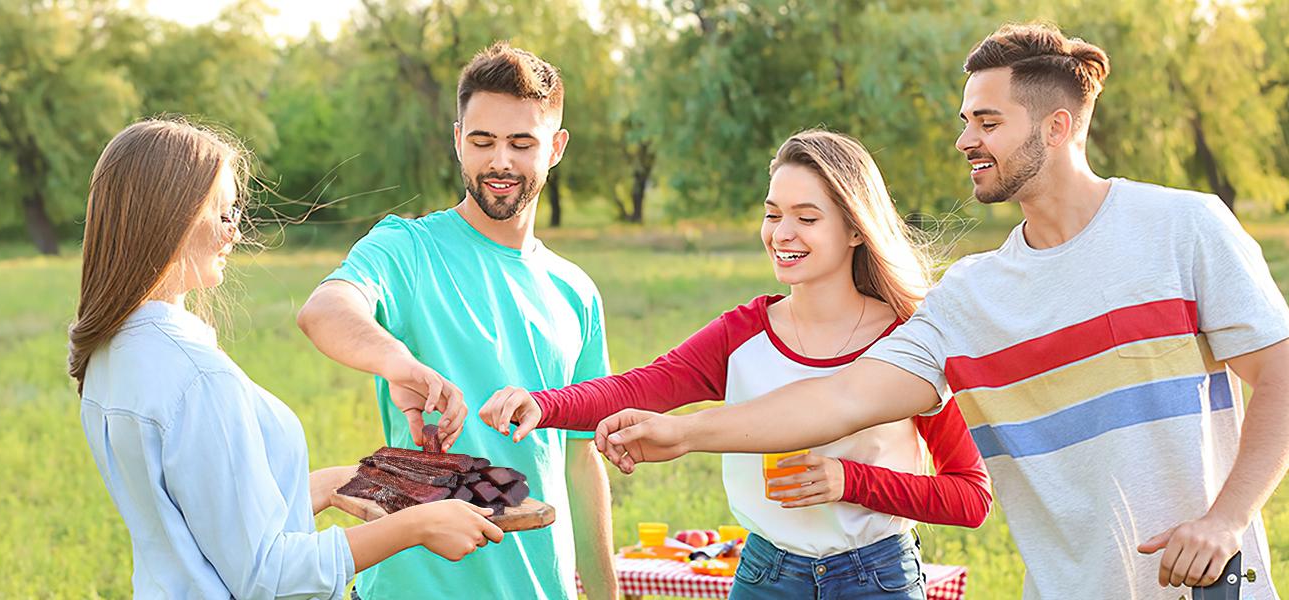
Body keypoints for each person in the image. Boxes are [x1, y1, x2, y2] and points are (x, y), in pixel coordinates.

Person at [591, 23, 1289, 599]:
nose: (965, 140)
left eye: (988, 122)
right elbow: (839, 399)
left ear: (1056, 127)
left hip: (1208, 585)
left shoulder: (1184, 228)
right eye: (966, 122)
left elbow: (1279, 376)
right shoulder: (971, 297)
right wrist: (686, 432)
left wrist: (1226, 518)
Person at [481, 130, 991, 599]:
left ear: (856, 229)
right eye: (773, 214)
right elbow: (643, 386)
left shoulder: (908, 344)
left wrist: (850, 481)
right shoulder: (744, 333)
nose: (782, 234)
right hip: (765, 576)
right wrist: (543, 405)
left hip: (876, 579)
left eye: (807, 218)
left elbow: (969, 496)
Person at [71, 118, 502, 599]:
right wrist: (418, 526)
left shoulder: (112, 353)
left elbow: (208, 526)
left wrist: (342, 482)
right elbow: (268, 576)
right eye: (223, 213)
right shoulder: (197, 378)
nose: (235, 232)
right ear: (171, 216)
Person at [296, 44, 618, 600]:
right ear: (457, 139)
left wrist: (605, 593)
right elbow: (324, 310)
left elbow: (580, 458)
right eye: (482, 141)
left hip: (536, 587)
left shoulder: (577, 292)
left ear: (556, 147)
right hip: (411, 587)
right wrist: (400, 364)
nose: (500, 162)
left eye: (522, 143)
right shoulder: (406, 247)